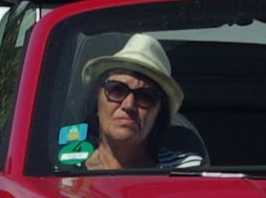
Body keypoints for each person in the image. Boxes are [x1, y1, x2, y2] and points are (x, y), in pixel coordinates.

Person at [60, 33, 205, 171]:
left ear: (159, 115)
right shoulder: (63, 171)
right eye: (117, 90)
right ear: (96, 104)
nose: (129, 105)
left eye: (145, 96)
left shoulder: (186, 170)